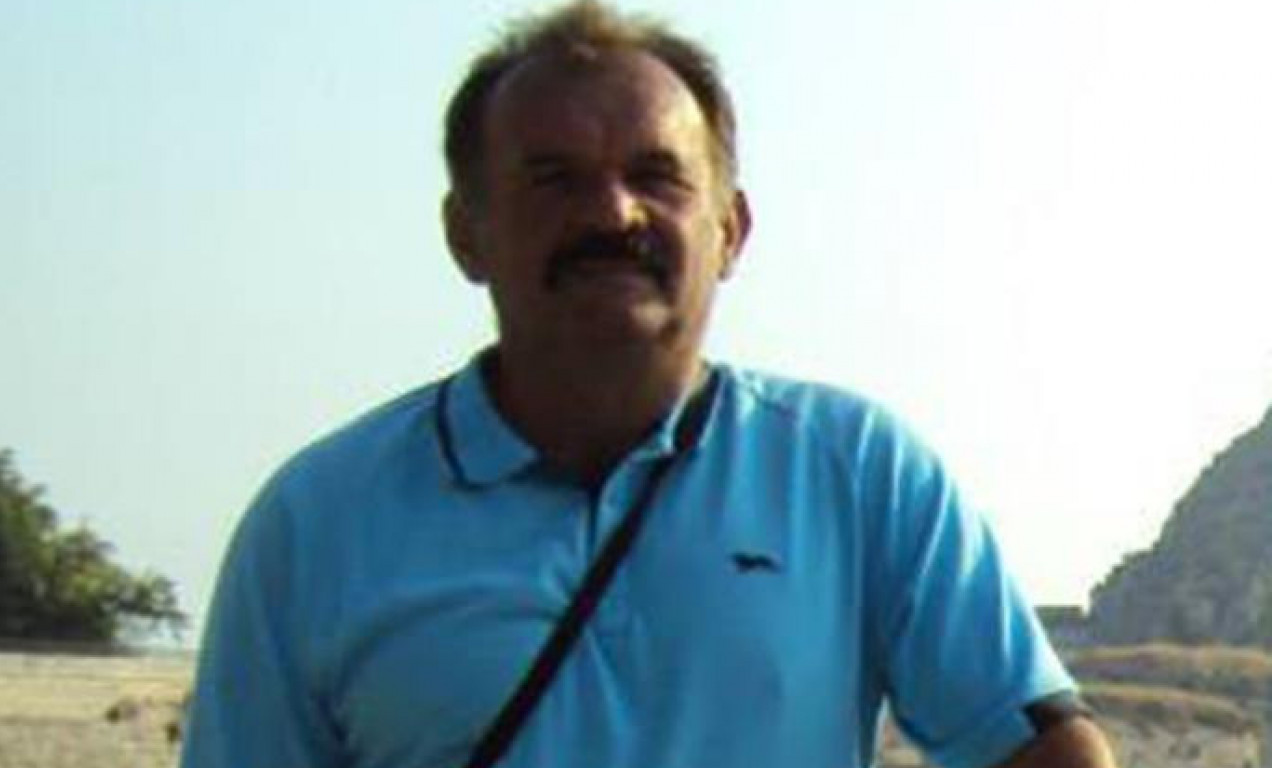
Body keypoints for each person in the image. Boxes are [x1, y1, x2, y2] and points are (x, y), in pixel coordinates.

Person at [181, 3, 1118, 767]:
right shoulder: (316, 524)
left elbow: (1039, 748)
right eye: (554, 179)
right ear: (467, 232)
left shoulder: (856, 473)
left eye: (656, 176)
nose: (611, 212)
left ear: (730, 231)